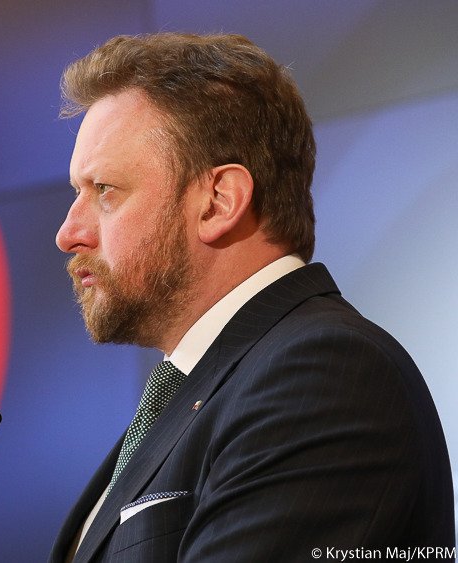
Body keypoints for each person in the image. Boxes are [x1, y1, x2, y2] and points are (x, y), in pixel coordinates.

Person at [49, 32, 455, 562]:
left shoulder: (320, 373)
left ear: (219, 201)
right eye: (76, 193)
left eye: (104, 190)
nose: (68, 233)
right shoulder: (202, 387)